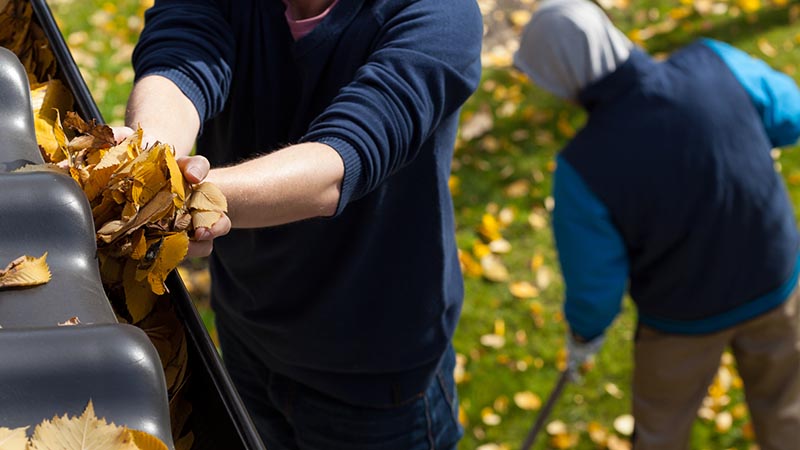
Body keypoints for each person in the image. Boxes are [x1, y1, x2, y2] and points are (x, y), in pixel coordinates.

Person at [123, 0, 483, 448]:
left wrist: (188, 198)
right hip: (246, 330)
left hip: (373, 378)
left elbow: (339, 162)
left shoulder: (439, 14)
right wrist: (145, 167)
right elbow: (180, 59)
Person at [513, 0, 800, 449]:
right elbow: (791, 115)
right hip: (775, 280)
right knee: (787, 409)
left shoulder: (582, 167)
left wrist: (584, 335)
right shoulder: (715, 61)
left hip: (683, 319)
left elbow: (595, 288)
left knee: (660, 430)